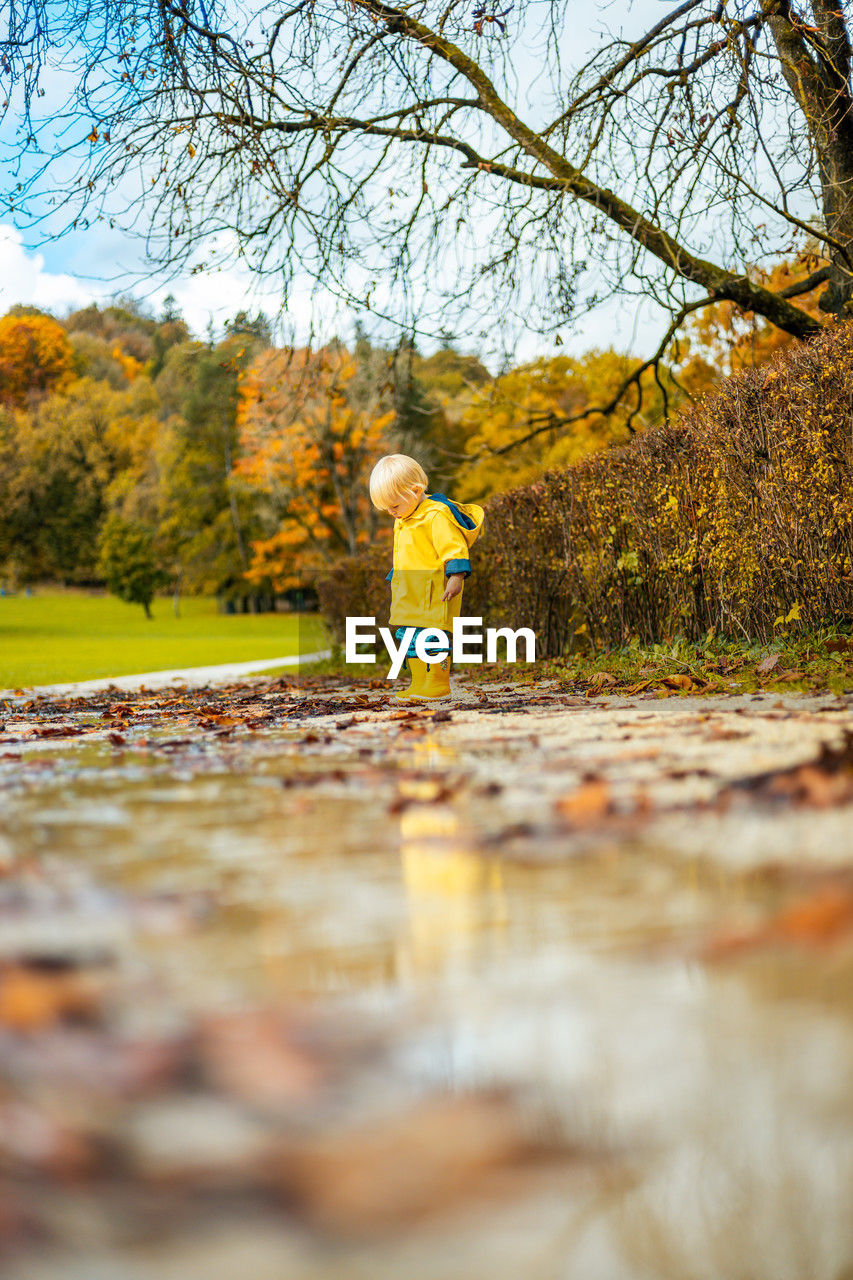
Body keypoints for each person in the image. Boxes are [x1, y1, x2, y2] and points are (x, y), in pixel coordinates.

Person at [369, 454, 485, 701]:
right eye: (387, 508)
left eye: (394, 506)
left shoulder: (436, 515)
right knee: (409, 638)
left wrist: (457, 576)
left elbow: (453, 548)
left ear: (416, 490)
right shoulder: (405, 517)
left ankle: (437, 683)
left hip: (434, 592)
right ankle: (419, 682)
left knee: (430, 638)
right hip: (410, 592)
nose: (391, 512)